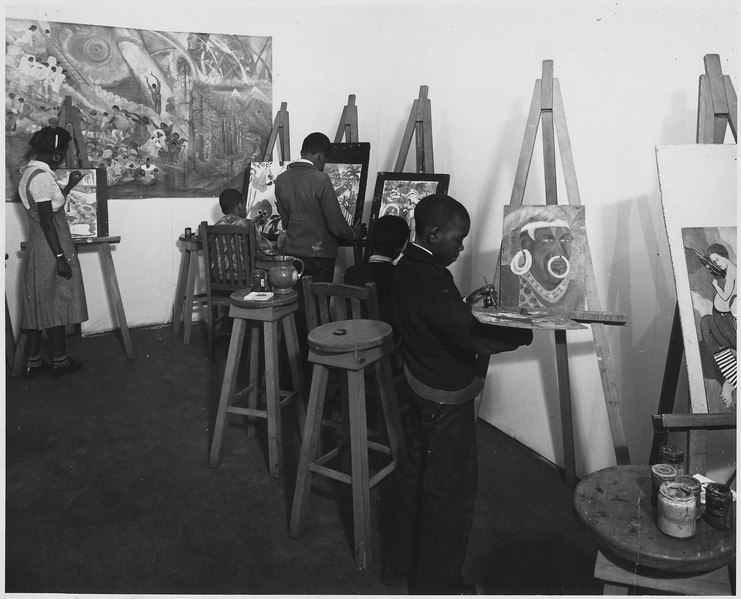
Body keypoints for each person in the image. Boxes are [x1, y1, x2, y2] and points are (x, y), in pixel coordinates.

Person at [385, 193, 533, 594]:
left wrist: (463, 304)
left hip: (417, 383)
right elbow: (470, 335)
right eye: (457, 239)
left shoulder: (407, 267)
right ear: (433, 234)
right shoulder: (433, 279)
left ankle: (398, 563)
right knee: (452, 491)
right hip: (443, 397)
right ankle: (439, 585)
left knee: (416, 472)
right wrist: (522, 329)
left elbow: (435, 317)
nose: (462, 246)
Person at [18, 126, 88, 379]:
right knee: (56, 303)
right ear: (56, 154)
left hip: (41, 245)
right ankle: (60, 361)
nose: (65, 157)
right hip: (50, 248)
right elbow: (48, 222)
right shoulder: (42, 178)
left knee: (39, 303)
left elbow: (49, 207)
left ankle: (33, 362)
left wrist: (68, 186)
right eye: (64, 153)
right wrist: (60, 258)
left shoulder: (31, 173)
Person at [274, 132, 366, 283]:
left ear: (302, 152)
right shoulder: (321, 179)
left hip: (293, 253)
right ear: (321, 156)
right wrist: (353, 234)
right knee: (318, 304)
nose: (323, 165)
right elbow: (336, 226)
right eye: (324, 161)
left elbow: (286, 221)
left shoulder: (281, 179)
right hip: (320, 256)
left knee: (298, 302)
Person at [500, 207, 586, 312]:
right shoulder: (509, 280)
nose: (559, 252)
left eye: (566, 240)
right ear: (525, 244)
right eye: (547, 240)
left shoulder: (576, 290)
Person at [344, 214, 409, 340]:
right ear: (400, 248)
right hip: (386, 344)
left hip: (355, 339)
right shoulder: (401, 276)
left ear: (372, 241)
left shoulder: (351, 273)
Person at [698, 243, 736, 407]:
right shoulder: (728, 271)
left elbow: (727, 297)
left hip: (725, 319)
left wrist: (715, 286)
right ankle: (732, 381)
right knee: (706, 324)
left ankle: (730, 384)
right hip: (718, 316)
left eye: (717, 259)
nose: (716, 264)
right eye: (713, 261)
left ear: (725, 256)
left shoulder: (733, 274)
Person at [215, 187, 274, 254]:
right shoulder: (248, 225)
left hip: (219, 264)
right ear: (240, 205)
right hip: (245, 265)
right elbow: (266, 249)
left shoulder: (214, 228)